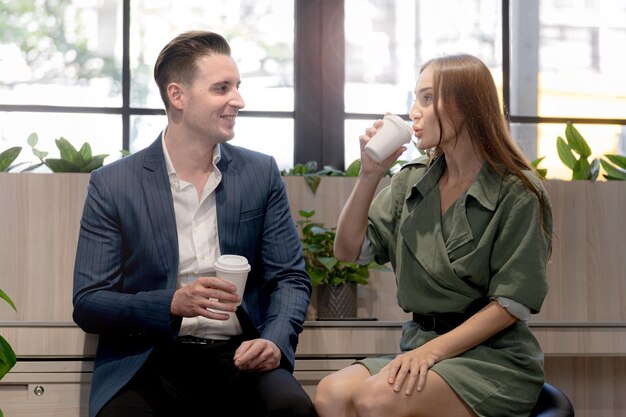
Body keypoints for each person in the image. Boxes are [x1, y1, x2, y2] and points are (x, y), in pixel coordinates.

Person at [73, 31, 315, 417]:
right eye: (222, 88)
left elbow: (289, 277)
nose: (238, 100)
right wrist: (171, 302)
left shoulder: (260, 173)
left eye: (236, 86)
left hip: (241, 357)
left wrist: (273, 341)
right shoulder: (114, 184)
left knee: (292, 409)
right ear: (178, 96)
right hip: (148, 361)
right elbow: (89, 302)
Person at [313, 54, 553, 417]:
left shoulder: (517, 192)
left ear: (465, 106)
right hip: (421, 344)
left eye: (427, 98)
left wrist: (430, 353)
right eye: (415, 98)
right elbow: (347, 251)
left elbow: (511, 304)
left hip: (493, 358)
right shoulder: (410, 181)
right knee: (330, 393)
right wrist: (370, 174)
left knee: (376, 399)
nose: (413, 111)